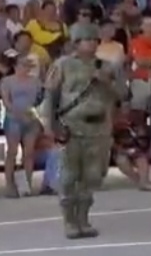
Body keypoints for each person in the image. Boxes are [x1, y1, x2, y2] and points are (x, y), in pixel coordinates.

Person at [39, 22, 121, 239]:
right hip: (71, 127)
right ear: (76, 43)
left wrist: (108, 83)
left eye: (95, 40)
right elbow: (51, 96)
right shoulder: (63, 65)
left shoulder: (105, 66)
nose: (92, 44)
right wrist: (50, 126)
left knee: (92, 176)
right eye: (87, 40)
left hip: (98, 128)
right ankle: (69, 220)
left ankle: (83, 219)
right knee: (68, 176)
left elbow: (122, 94)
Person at [0, 56, 43, 197]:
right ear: (16, 66)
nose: (27, 67)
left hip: (31, 119)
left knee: (29, 152)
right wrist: (16, 112)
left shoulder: (36, 82)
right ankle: (9, 185)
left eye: (28, 65)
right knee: (12, 152)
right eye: (24, 64)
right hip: (13, 119)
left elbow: (40, 100)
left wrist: (35, 114)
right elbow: (6, 101)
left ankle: (26, 185)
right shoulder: (7, 81)